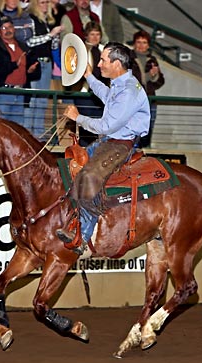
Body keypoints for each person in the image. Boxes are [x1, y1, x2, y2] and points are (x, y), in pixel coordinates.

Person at [55, 42, 150, 251]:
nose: (99, 64)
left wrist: (77, 118)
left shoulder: (128, 91)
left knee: (89, 175)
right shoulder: (121, 84)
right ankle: (70, 217)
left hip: (120, 144)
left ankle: (82, 235)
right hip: (111, 140)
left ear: (116, 63)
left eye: (103, 60)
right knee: (73, 164)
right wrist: (89, 76)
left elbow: (108, 125)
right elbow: (107, 97)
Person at [0, 15, 40, 126]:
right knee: (0, 127)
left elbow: (35, 68)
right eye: (4, 28)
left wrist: (30, 71)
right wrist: (14, 64)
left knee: (17, 128)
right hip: (3, 92)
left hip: (20, 92)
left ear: (14, 29)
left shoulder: (23, 46)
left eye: (10, 27)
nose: (8, 30)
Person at [23, 0, 63, 137]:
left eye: (47, 2)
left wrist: (55, 39)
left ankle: (38, 132)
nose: (45, 5)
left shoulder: (49, 21)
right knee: (33, 98)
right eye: (42, 2)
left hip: (47, 63)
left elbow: (52, 46)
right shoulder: (30, 19)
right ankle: (28, 131)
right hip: (35, 62)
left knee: (42, 100)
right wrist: (50, 35)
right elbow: (29, 41)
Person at [73, 20, 109, 146]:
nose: (95, 37)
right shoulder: (79, 49)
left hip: (101, 93)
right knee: (85, 125)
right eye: (92, 34)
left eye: (97, 34)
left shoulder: (104, 50)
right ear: (86, 35)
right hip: (85, 93)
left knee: (99, 125)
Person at [130, 30, 165, 148]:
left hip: (149, 98)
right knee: (133, 125)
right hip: (134, 99)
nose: (141, 45)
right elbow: (133, 79)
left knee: (148, 125)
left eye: (144, 42)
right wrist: (150, 76)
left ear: (148, 45)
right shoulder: (129, 58)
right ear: (134, 43)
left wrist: (155, 76)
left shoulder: (152, 59)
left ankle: (145, 148)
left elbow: (160, 81)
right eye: (138, 42)